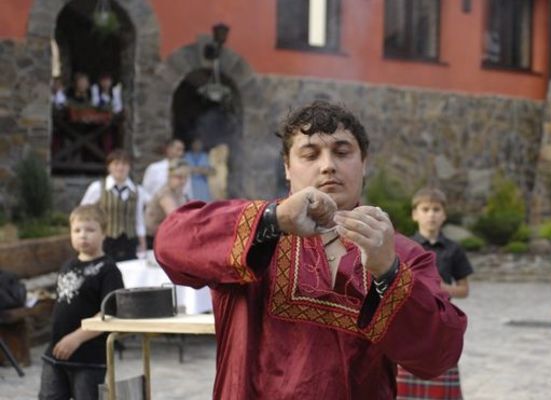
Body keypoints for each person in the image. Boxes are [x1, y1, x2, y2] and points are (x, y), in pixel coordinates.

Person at [154, 101, 467, 399]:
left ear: (364, 164)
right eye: (310, 154)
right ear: (287, 168)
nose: (328, 166)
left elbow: (439, 355)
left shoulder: (402, 253)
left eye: (342, 152)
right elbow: (170, 244)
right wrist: (274, 219)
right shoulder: (252, 232)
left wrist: (388, 272)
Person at [38, 205, 124, 400]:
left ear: (104, 233)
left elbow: (109, 312)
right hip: (56, 351)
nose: (82, 235)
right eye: (77, 230)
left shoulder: (108, 270)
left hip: (89, 356)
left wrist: (76, 338)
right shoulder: (67, 265)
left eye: (90, 230)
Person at [397, 187, 474, 400]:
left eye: (436, 209)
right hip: (410, 325)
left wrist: (442, 288)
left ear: (444, 214)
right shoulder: (404, 246)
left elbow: (464, 289)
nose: (431, 214)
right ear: (415, 214)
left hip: (442, 324)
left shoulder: (454, 249)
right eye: (425, 209)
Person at [81, 149, 147, 261]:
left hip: (129, 241)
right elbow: (83, 213)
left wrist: (142, 243)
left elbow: (139, 219)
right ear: (109, 167)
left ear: (129, 167)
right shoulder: (97, 187)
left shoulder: (137, 190)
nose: (120, 168)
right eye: (116, 164)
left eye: (124, 164)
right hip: (105, 240)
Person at [144, 159, 190, 248]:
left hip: (167, 236)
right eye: (179, 177)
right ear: (170, 176)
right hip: (154, 239)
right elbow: (175, 216)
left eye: (185, 177)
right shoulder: (164, 193)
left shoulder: (180, 192)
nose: (183, 181)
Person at [184, 137, 214, 201]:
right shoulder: (186, 156)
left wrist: (195, 169)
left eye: (199, 144)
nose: (197, 146)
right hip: (190, 184)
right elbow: (184, 169)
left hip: (203, 184)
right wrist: (201, 169)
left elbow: (211, 171)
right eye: (196, 144)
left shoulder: (205, 156)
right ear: (192, 145)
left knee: (204, 202)